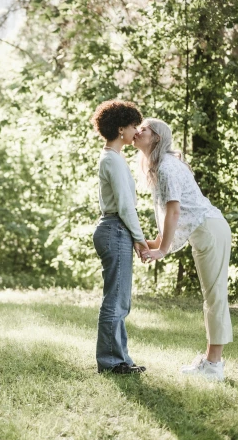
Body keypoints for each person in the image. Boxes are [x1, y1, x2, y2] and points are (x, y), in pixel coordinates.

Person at [134, 118, 233, 381]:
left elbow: (175, 211)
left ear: (156, 137)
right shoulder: (161, 166)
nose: (137, 131)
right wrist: (150, 244)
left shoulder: (167, 167)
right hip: (206, 231)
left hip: (211, 230)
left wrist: (162, 250)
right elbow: (170, 217)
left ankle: (214, 366)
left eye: (143, 128)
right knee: (211, 297)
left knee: (214, 297)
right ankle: (212, 362)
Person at [91, 100, 149, 375]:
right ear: (120, 128)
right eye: (134, 126)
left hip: (115, 229)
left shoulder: (114, 158)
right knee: (115, 299)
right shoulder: (111, 159)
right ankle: (111, 362)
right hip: (115, 229)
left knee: (120, 299)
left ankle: (121, 359)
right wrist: (140, 239)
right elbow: (125, 206)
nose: (137, 131)